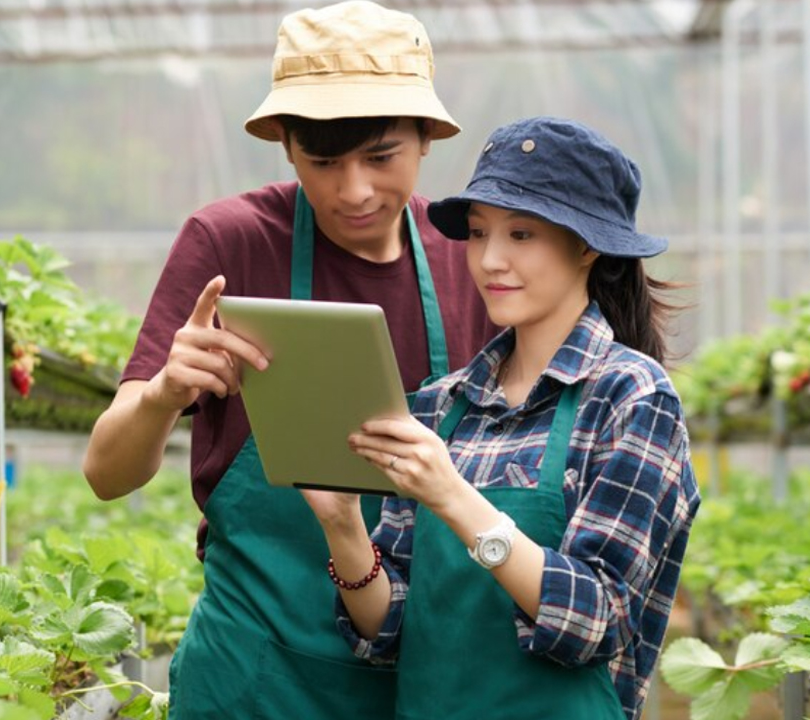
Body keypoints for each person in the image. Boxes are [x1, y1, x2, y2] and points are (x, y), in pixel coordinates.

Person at [83, 2, 497, 717]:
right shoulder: (233, 242)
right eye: (324, 162)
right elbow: (106, 474)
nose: (354, 190)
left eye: (381, 157)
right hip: (253, 675)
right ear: (286, 147)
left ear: (428, 138)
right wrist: (161, 396)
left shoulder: (471, 259)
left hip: (423, 672)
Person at [302, 116, 701, 720]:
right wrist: (344, 527)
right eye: (478, 233)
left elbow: (595, 618)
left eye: (521, 234)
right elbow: (386, 635)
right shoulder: (442, 404)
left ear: (587, 245)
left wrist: (451, 494)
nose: (490, 260)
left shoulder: (631, 398)